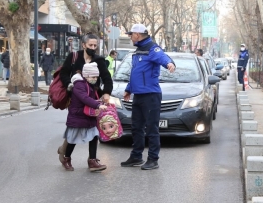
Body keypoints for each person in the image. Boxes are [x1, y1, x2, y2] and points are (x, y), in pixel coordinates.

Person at [121, 24, 176, 170]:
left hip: (151, 95)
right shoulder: (139, 50)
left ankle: (153, 159)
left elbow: (163, 57)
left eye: (131, 34)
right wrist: (129, 89)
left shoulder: (152, 48)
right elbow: (136, 73)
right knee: (136, 127)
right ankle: (136, 156)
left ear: (137, 35)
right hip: (138, 95)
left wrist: (170, 64)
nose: (130, 37)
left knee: (151, 128)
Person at [57, 34, 114, 162]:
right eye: (90, 45)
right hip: (76, 98)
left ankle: (92, 159)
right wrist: (69, 85)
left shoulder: (99, 60)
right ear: (83, 45)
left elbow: (107, 78)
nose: (93, 48)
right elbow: (64, 73)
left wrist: (106, 93)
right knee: (76, 126)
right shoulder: (74, 57)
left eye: (95, 45)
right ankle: (65, 151)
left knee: (92, 127)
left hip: (93, 99)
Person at [58, 63, 108, 172]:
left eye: (96, 77)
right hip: (77, 116)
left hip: (88, 116)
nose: (95, 79)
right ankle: (66, 158)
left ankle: (92, 161)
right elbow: (85, 98)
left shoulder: (89, 84)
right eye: (93, 77)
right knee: (72, 140)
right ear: (86, 75)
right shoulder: (79, 85)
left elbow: (92, 98)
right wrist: (98, 105)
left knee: (94, 136)